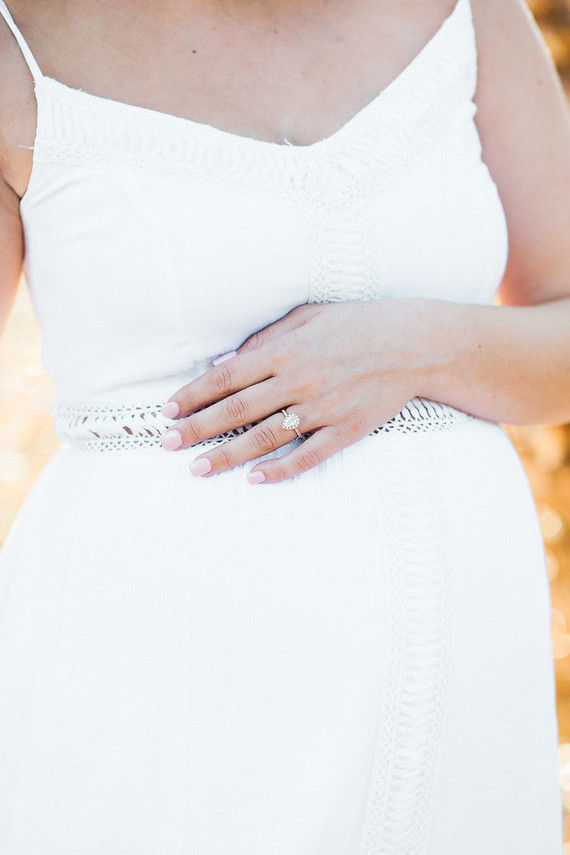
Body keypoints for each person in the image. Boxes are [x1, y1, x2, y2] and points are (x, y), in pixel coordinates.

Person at [0, 0, 568, 851]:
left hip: (461, 696)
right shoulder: (21, 41)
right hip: (152, 685)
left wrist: (425, 347)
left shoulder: (470, 13)